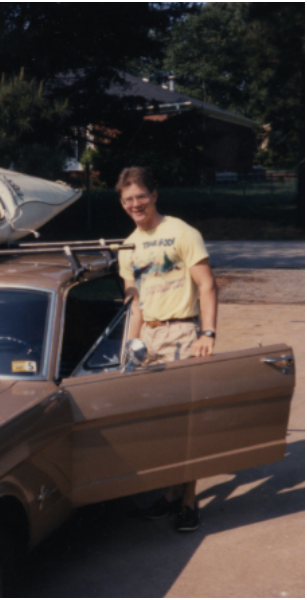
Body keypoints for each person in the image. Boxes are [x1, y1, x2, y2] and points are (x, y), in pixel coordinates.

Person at [116, 166, 217, 533]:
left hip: (182, 332)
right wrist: (130, 343)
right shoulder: (128, 246)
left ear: (154, 195)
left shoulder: (182, 232)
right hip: (150, 338)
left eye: (141, 196)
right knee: (160, 421)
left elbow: (207, 286)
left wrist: (207, 333)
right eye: (128, 199)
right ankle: (170, 494)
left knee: (183, 420)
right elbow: (134, 302)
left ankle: (189, 501)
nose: (135, 204)